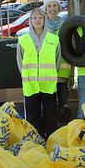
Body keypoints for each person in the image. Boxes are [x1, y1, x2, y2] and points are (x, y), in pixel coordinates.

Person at [16, 8, 60, 137]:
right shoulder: (23, 40)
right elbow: (20, 61)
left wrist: (52, 74)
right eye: (35, 18)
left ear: (45, 20)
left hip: (48, 84)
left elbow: (58, 60)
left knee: (50, 115)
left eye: (40, 17)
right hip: (31, 85)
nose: (38, 20)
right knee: (32, 116)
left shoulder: (54, 39)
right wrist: (26, 76)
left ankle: (51, 140)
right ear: (30, 20)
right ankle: (35, 141)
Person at [42, 0, 71, 117]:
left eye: (55, 6)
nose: (52, 9)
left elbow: (70, 49)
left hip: (62, 73)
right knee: (49, 106)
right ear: (45, 9)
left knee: (64, 106)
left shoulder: (65, 26)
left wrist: (71, 74)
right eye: (49, 6)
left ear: (59, 8)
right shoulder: (41, 27)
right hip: (47, 73)